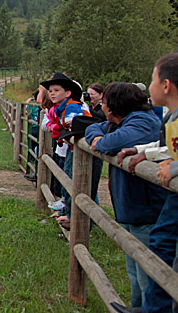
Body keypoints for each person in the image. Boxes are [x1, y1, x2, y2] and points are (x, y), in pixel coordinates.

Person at [85, 82, 169, 309]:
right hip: (133, 208)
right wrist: (98, 139)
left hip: (146, 208)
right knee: (134, 268)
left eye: (104, 102)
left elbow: (111, 142)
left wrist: (101, 142)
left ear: (114, 105)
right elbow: (93, 128)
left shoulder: (143, 122)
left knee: (146, 272)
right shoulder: (125, 122)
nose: (102, 106)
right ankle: (137, 307)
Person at [111, 52, 178, 313]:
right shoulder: (171, 117)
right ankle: (153, 308)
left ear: (165, 85)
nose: (148, 86)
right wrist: (143, 152)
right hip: (173, 197)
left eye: (152, 78)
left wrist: (173, 168)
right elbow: (166, 147)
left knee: (162, 247)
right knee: (160, 244)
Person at [40, 73, 91, 228]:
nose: (52, 93)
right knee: (67, 178)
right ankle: (66, 212)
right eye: (50, 91)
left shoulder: (72, 106)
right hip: (71, 147)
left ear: (68, 93)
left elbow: (73, 122)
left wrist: (65, 126)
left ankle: (72, 217)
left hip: (78, 149)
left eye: (56, 90)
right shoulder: (59, 108)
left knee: (73, 179)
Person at [24, 89, 40, 182]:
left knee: (33, 148)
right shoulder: (42, 107)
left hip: (34, 128)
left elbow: (26, 112)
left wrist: (27, 103)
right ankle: (34, 167)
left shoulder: (33, 106)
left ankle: (33, 164)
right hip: (37, 129)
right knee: (36, 148)